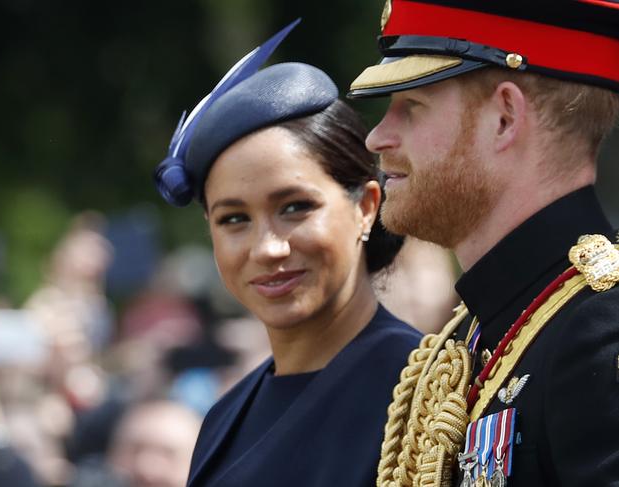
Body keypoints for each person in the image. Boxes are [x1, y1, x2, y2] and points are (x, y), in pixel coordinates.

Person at [348, 1, 619, 486]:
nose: (376, 137)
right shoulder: (465, 338)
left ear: (505, 117)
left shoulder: (602, 333)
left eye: (411, 106)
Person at [153, 22, 421, 487]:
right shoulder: (224, 417)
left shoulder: (423, 392)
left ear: (366, 207)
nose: (268, 247)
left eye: (295, 208)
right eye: (234, 219)